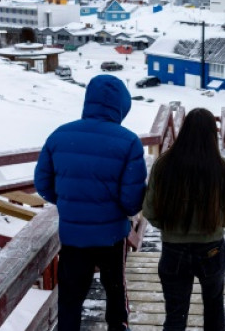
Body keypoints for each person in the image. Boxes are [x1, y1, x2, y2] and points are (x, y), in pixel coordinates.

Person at [35, 75, 147, 331]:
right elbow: (132, 200)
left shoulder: (59, 136)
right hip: (112, 236)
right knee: (115, 289)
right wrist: (118, 210)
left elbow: (43, 184)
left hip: (73, 236)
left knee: (70, 297)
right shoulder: (129, 141)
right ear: (121, 105)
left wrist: (69, 203)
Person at [142, 108, 225, 331]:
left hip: (173, 250)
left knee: (175, 314)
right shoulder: (221, 168)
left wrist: (170, 227)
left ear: (183, 131)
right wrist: (217, 223)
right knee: (214, 309)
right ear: (212, 135)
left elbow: (149, 212)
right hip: (211, 250)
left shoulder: (163, 165)